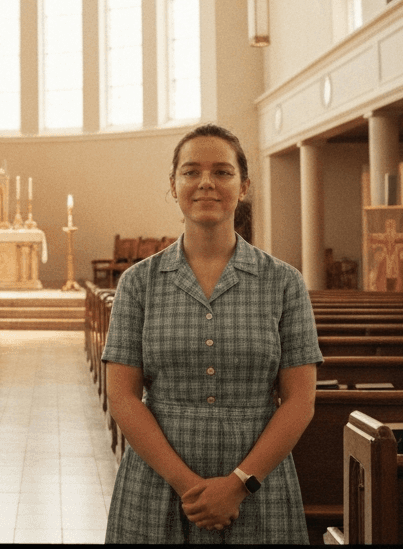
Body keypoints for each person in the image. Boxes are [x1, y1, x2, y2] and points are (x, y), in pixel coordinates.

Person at [102, 123, 322, 544]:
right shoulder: (138, 283)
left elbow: (300, 400)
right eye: (191, 172)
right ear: (174, 185)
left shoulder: (283, 283)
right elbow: (123, 396)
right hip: (158, 482)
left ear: (243, 186)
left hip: (258, 485)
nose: (206, 182)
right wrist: (188, 485)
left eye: (222, 172)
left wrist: (238, 485)